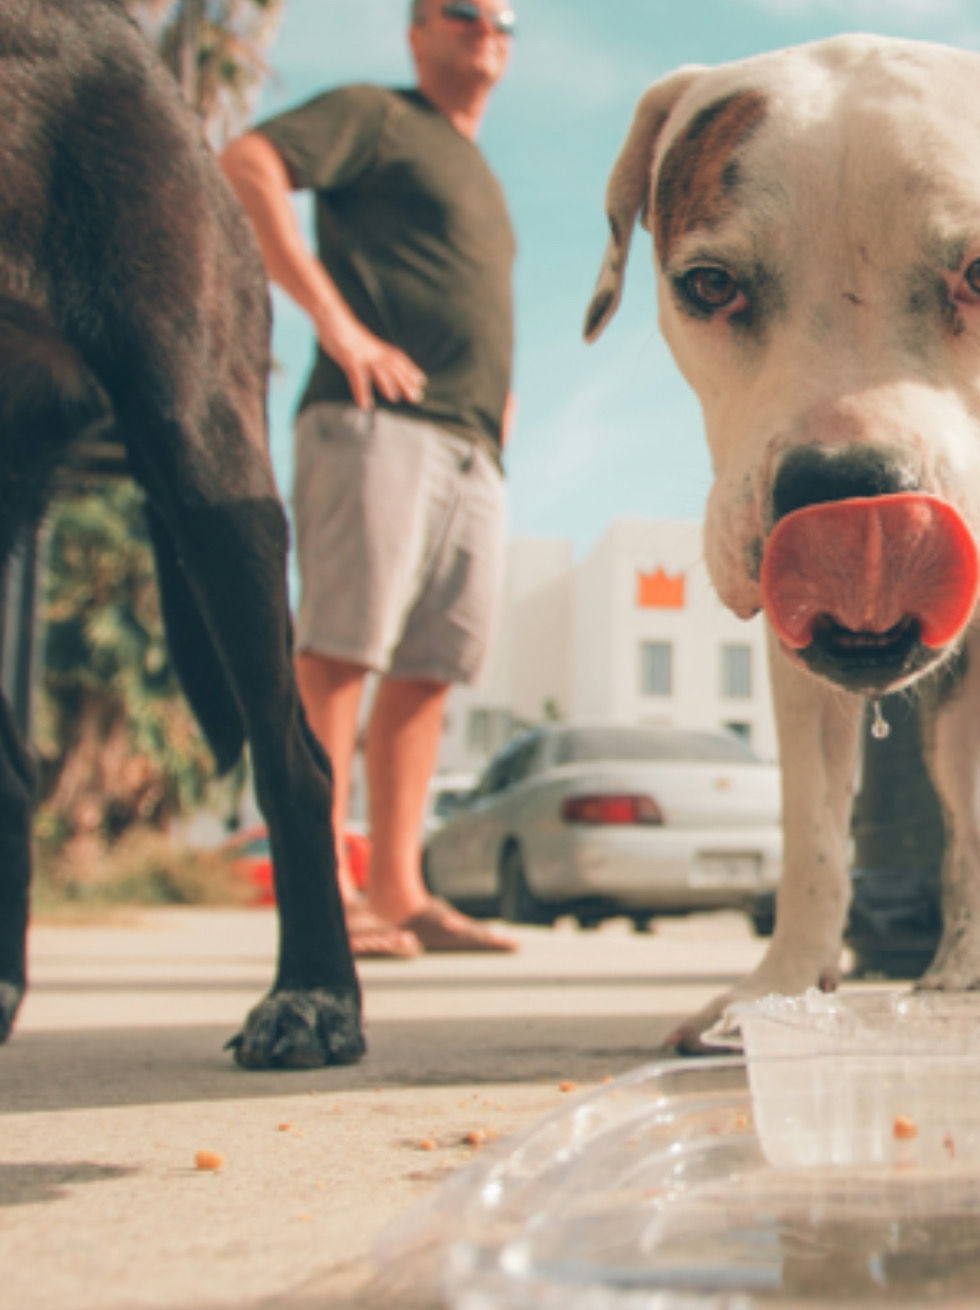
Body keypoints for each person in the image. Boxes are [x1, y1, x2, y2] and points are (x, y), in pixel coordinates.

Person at [222, 0, 522, 956]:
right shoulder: (380, 115)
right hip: (375, 423)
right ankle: (322, 891)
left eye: (504, 19)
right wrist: (334, 321)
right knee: (343, 652)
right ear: (417, 33)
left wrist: (498, 409)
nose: (487, 26)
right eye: (463, 11)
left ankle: (399, 890)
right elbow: (247, 166)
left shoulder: (474, 166)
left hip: (473, 444)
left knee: (432, 671)